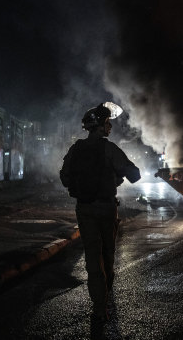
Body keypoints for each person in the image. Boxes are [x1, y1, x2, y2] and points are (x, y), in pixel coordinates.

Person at [60, 103, 141, 324]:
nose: (110, 127)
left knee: (92, 257)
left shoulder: (76, 149)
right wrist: (117, 177)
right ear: (99, 126)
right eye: (107, 123)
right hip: (106, 208)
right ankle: (105, 297)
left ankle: (98, 305)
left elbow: (65, 178)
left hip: (84, 209)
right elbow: (133, 173)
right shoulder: (109, 149)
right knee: (107, 253)